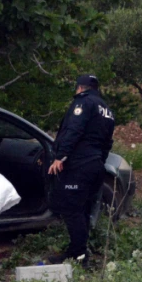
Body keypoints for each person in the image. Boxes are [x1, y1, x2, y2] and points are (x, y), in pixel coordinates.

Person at [47, 74, 116, 267]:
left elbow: (74, 130)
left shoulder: (84, 103)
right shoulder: (107, 110)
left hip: (79, 164)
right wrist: (98, 161)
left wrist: (61, 156)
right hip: (95, 165)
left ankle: (79, 255)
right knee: (83, 210)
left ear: (80, 88)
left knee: (71, 209)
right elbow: (107, 142)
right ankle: (78, 252)